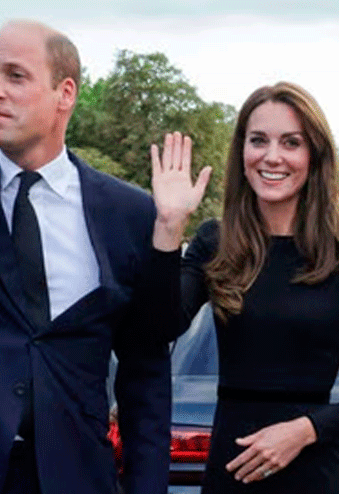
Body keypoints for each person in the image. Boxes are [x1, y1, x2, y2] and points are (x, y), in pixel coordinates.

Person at [0, 19, 209, 494]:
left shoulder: (129, 214)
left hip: (79, 478)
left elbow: (145, 378)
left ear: (65, 93)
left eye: (15, 75)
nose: (0, 91)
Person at [180, 81, 339, 492]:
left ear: (313, 155)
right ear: (242, 152)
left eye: (291, 142)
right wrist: (167, 228)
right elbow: (156, 330)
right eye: (258, 140)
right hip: (231, 475)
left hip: (313, 474)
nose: (272, 156)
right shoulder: (215, 242)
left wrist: (303, 431)